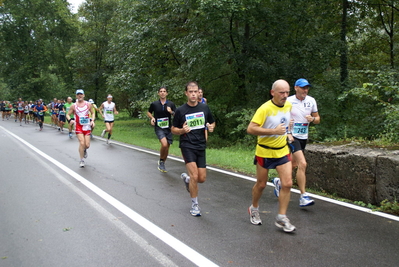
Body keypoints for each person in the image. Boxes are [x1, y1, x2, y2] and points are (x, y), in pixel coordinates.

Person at [247, 79, 296, 233]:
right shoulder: (265, 109)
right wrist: (273, 131)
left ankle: (281, 217)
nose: (285, 95)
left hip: (282, 150)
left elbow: (285, 122)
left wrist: (288, 132)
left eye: (287, 92)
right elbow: (251, 129)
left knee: (287, 183)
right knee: (261, 184)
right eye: (282, 92)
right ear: (272, 92)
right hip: (264, 151)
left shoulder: (288, 105)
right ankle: (254, 207)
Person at [273, 78, 321, 207]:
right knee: (302, 163)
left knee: (293, 165)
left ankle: (279, 182)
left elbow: (318, 119)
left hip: (303, 136)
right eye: (302, 87)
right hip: (292, 136)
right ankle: (303, 196)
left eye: (307, 88)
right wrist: (287, 131)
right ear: (296, 88)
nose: (305, 90)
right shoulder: (288, 101)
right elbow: (280, 116)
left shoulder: (311, 101)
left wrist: (312, 119)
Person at [171, 81, 215, 217]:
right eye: (190, 91)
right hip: (187, 145)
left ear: (199, 92)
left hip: (201, 145)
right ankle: (195, 205)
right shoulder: (180, 110)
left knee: (201, 178)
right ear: (186, 93)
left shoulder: (204, 108)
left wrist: (211, 127)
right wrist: (181, 130)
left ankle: (188, 180)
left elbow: (212, 122)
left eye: (195, 91)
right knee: (195, 175)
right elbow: (173, 129)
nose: (193, 94)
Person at [147, 87, 177, 172]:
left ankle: (162, 162)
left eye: (164, 91)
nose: (163, 93)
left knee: (167, 147)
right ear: (158, 93)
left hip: (168, 127)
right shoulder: (154, 104)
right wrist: (152, 118)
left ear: (167, 93)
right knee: (164, 144)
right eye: (161, 91)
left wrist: (171, 112)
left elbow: (176, 114)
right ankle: (161, 160)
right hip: (159, 127)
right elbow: (149, 112)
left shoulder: (171, 104)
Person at [66, 89, 95, 168]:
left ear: (84, 95)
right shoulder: (73, 105)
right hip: (78, 126)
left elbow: (92, 113)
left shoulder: (88, 104)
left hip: (87, 126)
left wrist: (92, 120)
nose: (80, 95)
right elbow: (68, 114)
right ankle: (81, 160)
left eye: (81, 94)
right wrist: (70, 120)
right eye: (78, 94)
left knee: (87, 145)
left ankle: (84, 150)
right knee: (82, 143)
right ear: (76, 96)